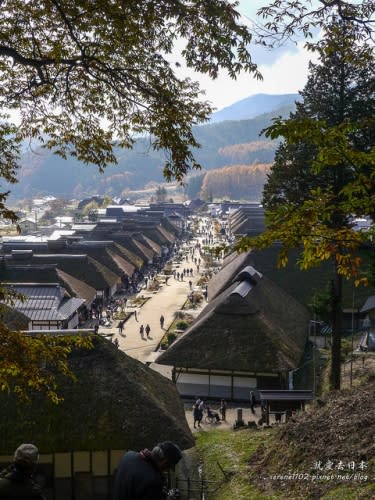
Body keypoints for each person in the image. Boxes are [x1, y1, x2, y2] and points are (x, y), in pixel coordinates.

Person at [112, 441, 182, 500]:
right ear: (164, 462)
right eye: (169, 467)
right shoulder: (153, 481)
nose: (167, 470)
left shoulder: (128, 456)